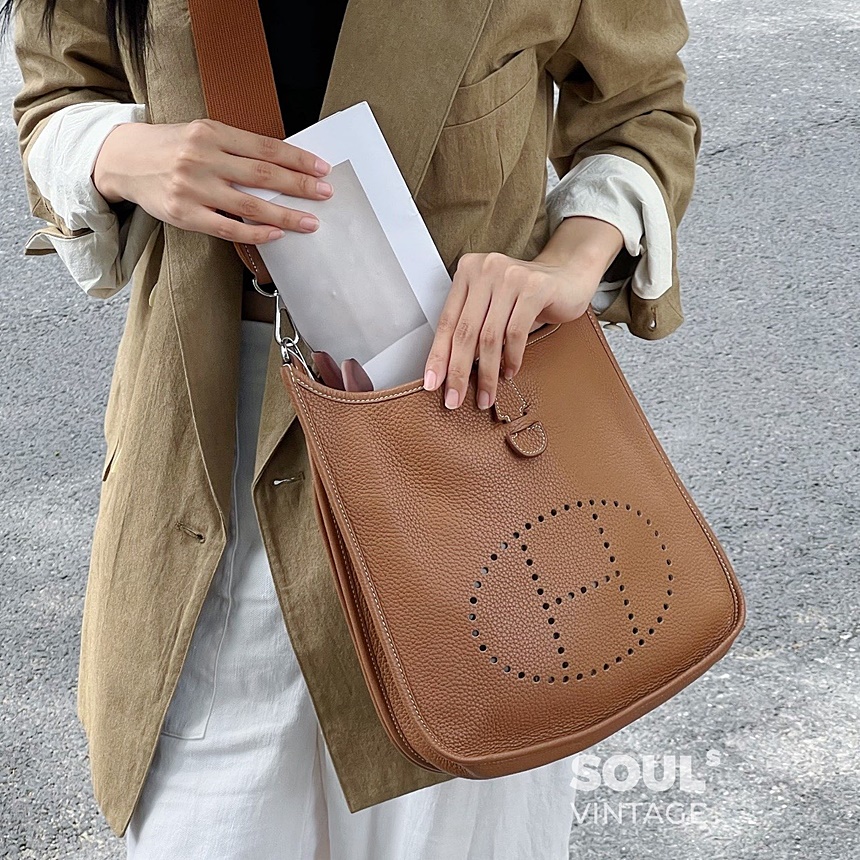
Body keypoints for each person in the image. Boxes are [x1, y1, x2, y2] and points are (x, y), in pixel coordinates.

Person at [7, 0, 701, 856]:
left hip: (461, 449)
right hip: (207, 458)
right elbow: (59, 94)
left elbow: (643, 112)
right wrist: (118, 153)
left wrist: (568, 261)